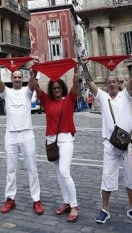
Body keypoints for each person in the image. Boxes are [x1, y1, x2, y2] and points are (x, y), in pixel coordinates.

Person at [81, 59, 132, 225]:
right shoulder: (102, 97)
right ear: (106, 85)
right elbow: (89, 81)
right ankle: (105, 209)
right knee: (107, 177)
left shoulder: (126, 95)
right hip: (110, 145)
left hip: (128, 143)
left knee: (130, 177)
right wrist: (84, 65)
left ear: (119, 83)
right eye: (109, 82)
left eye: (115, 82)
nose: (112, 84)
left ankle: (131, 208)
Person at [0, 59, 43, 216]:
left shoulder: (27, 91)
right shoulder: (7, 92)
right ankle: (10, 198)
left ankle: (36, 199)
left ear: (23, 78)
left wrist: (34, 67)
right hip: (11, 135)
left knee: (32, 168)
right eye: (15, 77)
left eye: (20, 77)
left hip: (27, 133)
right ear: (11, 79)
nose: (17, 79)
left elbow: (34, 81)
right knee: (10, 169)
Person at [31, 63, 80, 223]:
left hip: (66, 140)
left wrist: (76, 70)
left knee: (65, 172)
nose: (57, 90)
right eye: (54, 88)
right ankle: (66, 202)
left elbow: (76, 85)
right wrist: (33, 71)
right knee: (59, 174)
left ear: (62, 88)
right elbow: (35, 86)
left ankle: (74, 205)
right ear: (51, 89)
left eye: (59, 88)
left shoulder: (70, 100)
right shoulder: (46, 101)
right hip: (51, 141)